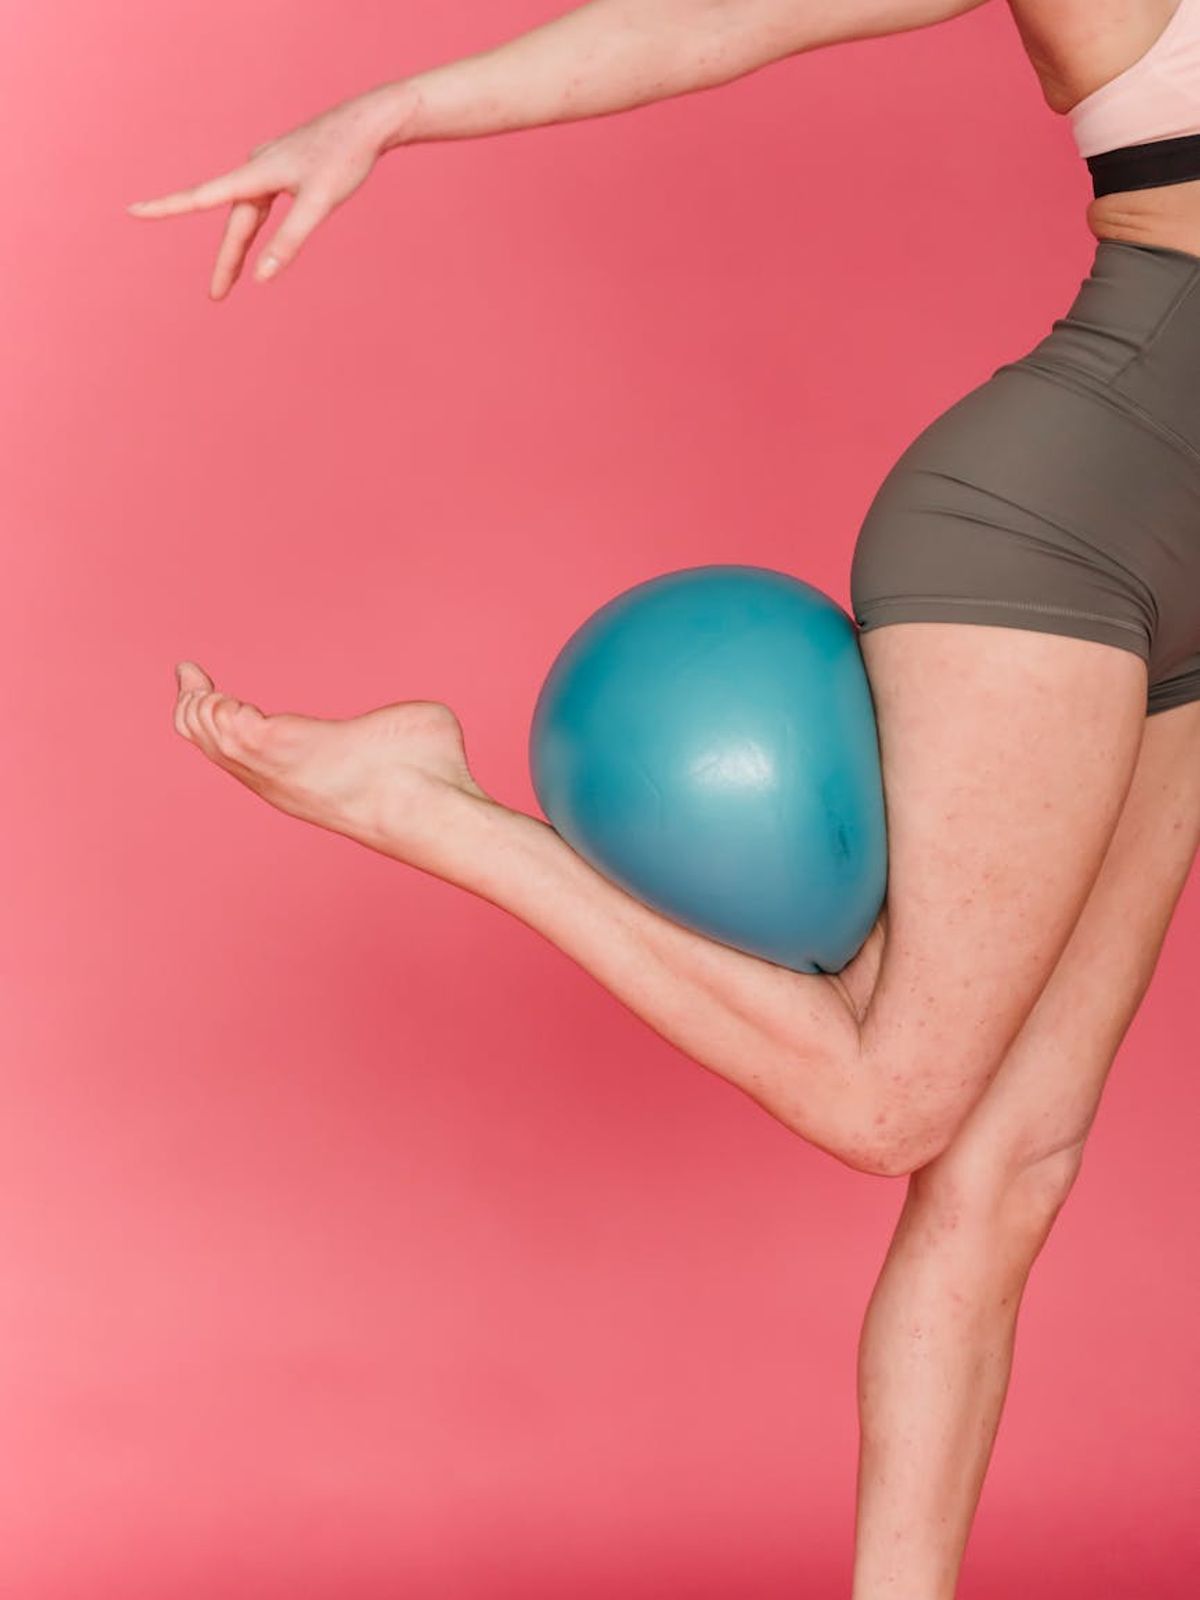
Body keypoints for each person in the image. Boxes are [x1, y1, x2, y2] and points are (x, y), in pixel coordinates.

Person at [129, 2, 1200, 1594]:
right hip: (1063, 528)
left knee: (1015, 1166)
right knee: (896, 1097)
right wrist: (391, 112)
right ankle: (434, 805)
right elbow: (721, 20)